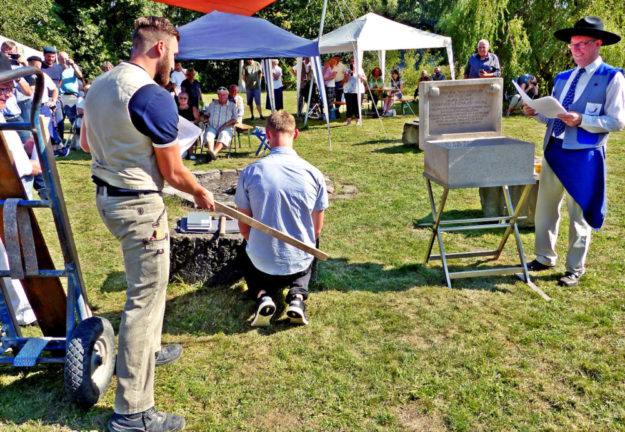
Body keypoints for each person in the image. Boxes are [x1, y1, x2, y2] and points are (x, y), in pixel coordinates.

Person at [81, 16, 215, 432]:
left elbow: (86, 143)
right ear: (158, 48)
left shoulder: (100, 85)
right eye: (174, 53)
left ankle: (148, 351)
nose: (176, 63)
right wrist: (199, 191)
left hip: (109, 197)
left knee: (150, 288)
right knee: (143, 299)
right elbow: (173, 173)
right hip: (139, 207)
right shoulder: (153, 97)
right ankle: (133, 412)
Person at [523, 16, 625, 287]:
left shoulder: (612, 77)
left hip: (585, 156)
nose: (576, 49)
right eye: (573, 45)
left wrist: (583, 120)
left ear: (598, 44)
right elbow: (555, 117)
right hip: (554, 150)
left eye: (582, 44)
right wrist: (536, 113)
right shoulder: (562, 77)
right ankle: (544, 257)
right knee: (545, 210)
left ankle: (574, 268)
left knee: (578, 213)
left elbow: (617, 121)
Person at [234, 111, 328, 327]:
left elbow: (244, 226)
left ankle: (262, 295)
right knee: (313, 244)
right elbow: (317, 230)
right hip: (299, 262)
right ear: (295, 134)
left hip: (261, 262)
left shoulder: (250, 172)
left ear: (267, 134)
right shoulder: (314, 173)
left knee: (244, 247)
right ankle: (297, 296)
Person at [0, 70, 40, 327]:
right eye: (1, 89)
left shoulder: (3, 114)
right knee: (8, 254)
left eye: (7, 88)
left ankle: (25, 307)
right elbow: (7, 165)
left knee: (17, 251)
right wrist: (30, 165)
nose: (5, 94)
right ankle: (22, 310)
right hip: (7, 194)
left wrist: (25, 151)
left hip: (13, 194)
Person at [202, 86, 237, 161]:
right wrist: (205, 118)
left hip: (226, 127)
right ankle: (212, 152)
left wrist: (225, 125)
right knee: (208, 134)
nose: (221, 97)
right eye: (220, 95)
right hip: (213, 126)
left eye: (224, 95)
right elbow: (206, 114)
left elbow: (235, 119)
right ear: (217, 95)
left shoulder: (232, 105)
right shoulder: (212, 104)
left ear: (227, 95)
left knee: (224, 135)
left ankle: (212, 153)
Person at [41, 46, 65, 141]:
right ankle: (50, 142)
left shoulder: (58, 68)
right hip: (44, 99)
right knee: (48, 122)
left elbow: (60, 81)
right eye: (48, 56)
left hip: (56, 98)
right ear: (44, 55)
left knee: (60, 121)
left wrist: (55, 94)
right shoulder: (40, 67)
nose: (51, 58)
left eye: (52, 56)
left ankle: (60, 142)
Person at [58, 51, 85, 135]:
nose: (64, 60)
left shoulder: (73, 67)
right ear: (58, 59)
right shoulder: (57, 67)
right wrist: (62, 69)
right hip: (59, 96)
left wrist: (73, 65)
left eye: (65, 58)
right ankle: (60, 141)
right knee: (59, 121)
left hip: (70, 96)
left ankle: (78, 140)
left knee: (74, 119)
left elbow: (80, 76)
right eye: (62, 58)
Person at [343, 57, 366, 126]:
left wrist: (361, 77)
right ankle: (349, 122)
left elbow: (365, 79)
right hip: (349, 91)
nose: (352, 63)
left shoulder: (360, 70)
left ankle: (357, 121)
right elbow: (345, 81)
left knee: (357, 106)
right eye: (351, 61)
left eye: (353, 61)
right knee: (349, 106)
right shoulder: (347, 70)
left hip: (359, 91)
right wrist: (348, 74)